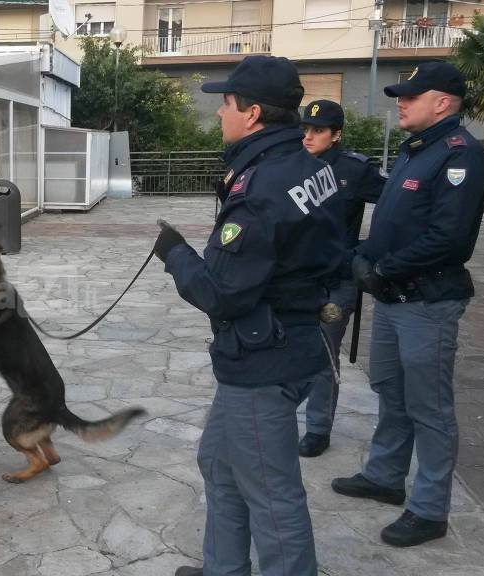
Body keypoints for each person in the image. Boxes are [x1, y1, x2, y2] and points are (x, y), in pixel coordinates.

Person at [156, 55, 344, 576]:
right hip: (291, 339)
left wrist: (174, 253)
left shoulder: (260, 186)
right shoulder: (309, 164)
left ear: (254, 112)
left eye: (226, 105)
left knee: (271, 493)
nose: (219, 114)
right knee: (218, 463)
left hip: (265, 360)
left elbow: (222, 293)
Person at [332, 61, 484, 548]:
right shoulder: (416, 150)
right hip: (393, 297)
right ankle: (384, 477)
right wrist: (363, 255)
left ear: (442, 102)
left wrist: (382, 269)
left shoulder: (460, 155)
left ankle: (429, 509)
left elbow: (449, 239)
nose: (400, 101)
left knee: (430, 407)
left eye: (411, 96)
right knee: (391, 392)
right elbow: (394, 221)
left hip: (427, 300)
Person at [299, 99, 387, 457]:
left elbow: (399, 206)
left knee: (323, 354)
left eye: (318, 131)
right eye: (305, 129)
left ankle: (318, 428)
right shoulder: (292, 165)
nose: (308, 137)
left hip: (335, 280)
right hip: (297, 278)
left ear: (336, 134)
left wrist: (366, 252)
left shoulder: (355, 169)